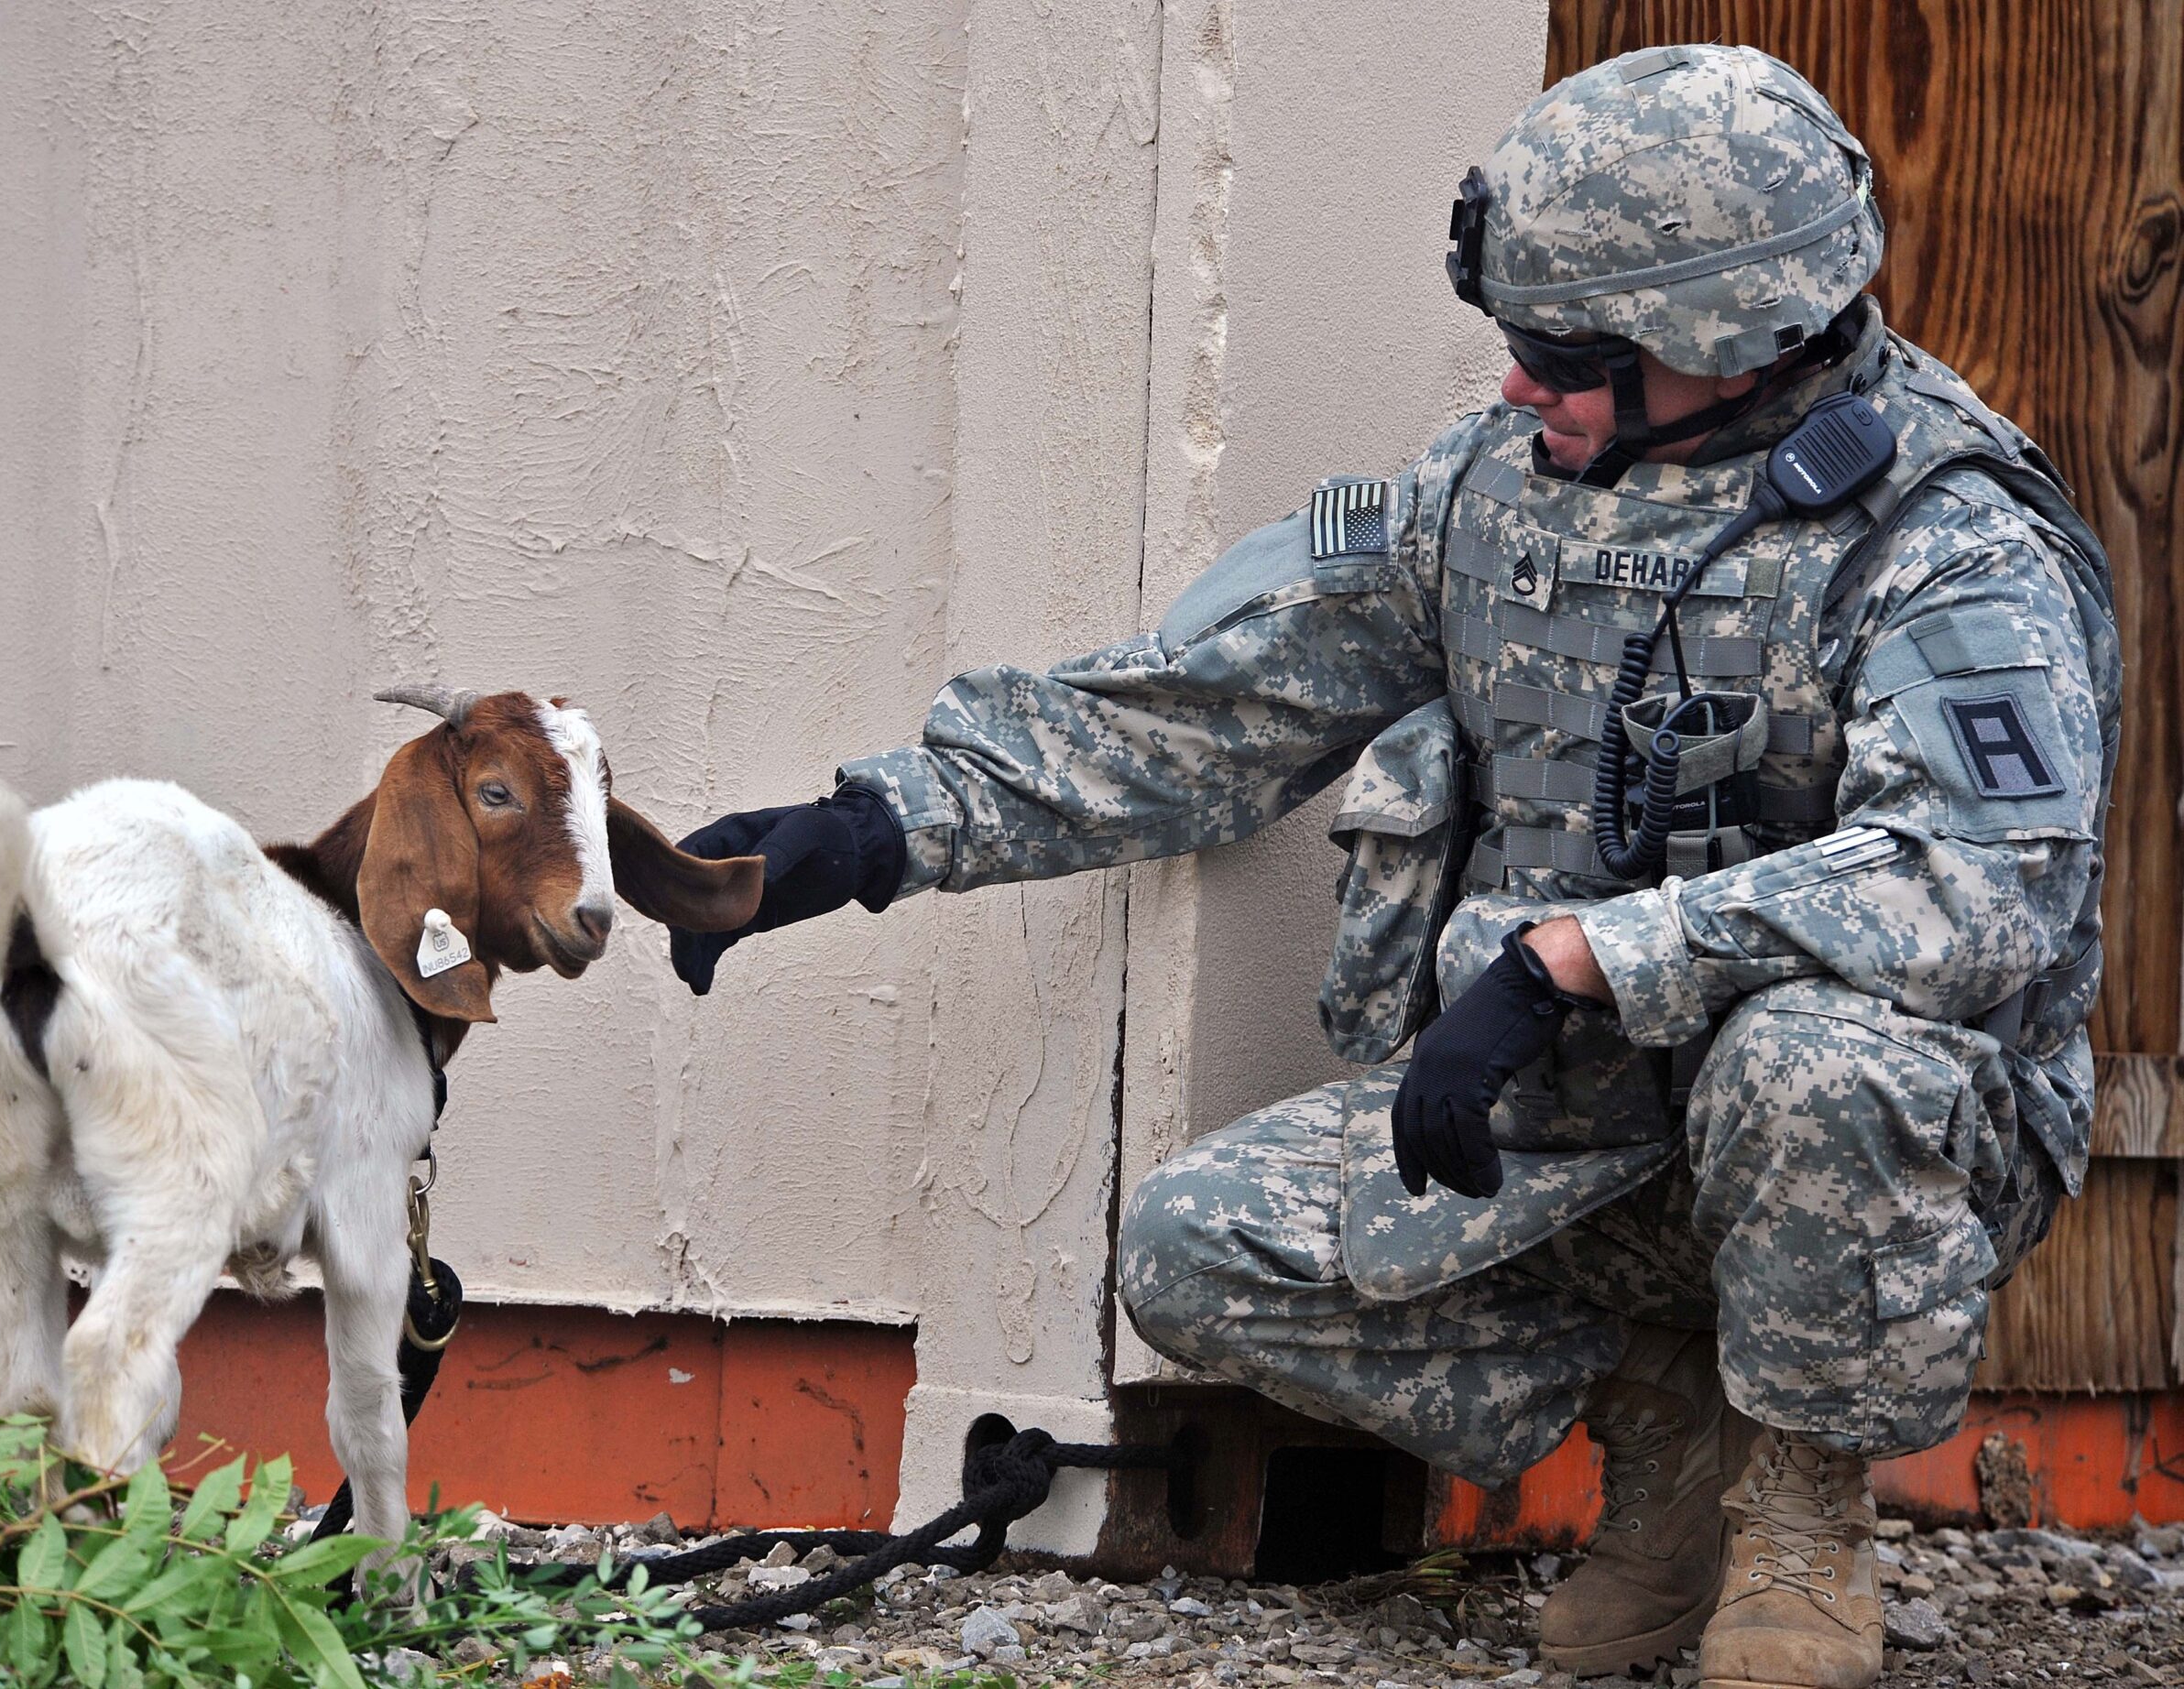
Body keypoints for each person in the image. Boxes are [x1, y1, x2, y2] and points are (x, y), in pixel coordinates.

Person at [656, 44, 2120, 1689]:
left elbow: (1982, 888)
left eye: (1561, 354)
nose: (1513, 388)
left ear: (1731, 336)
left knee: (1814, 1061)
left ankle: (1801, 1512)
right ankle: (1674, 1446)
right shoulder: (1485, 492)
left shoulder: (1948, 535)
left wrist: (1580, 957)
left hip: (1865, 1136)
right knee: (1195, 1253)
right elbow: (1212, 706)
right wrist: (877, 829)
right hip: (1580, 1117)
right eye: (1511, 343)